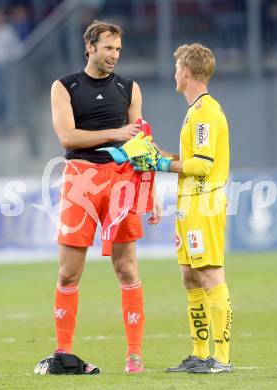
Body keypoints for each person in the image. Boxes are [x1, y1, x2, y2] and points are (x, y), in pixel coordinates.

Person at [34, 20, 160, 375]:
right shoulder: (64, 87)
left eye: (118, 49)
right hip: (81, 179)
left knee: (127, 268)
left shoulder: (130, 89)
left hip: (122, 180)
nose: (114, 55)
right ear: (89, 46)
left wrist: (152, 191)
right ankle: (63, 354)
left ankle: (134, 356)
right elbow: (68, 138)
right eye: (108, 48)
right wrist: (115, 132)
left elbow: (141, 143)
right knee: (69, 274)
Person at [130, 43, 233, 373]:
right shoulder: (195, 110)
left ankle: (221, 358)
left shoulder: (205, 113)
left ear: (186, 72)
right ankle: (199, 354)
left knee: (209, 272)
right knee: (190, 277)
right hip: (189, 204)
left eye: (177, 68)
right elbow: (191, 159)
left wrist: (159, 164)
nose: (174, 73)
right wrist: (163, 155)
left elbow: (203, 165)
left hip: (204, 201)